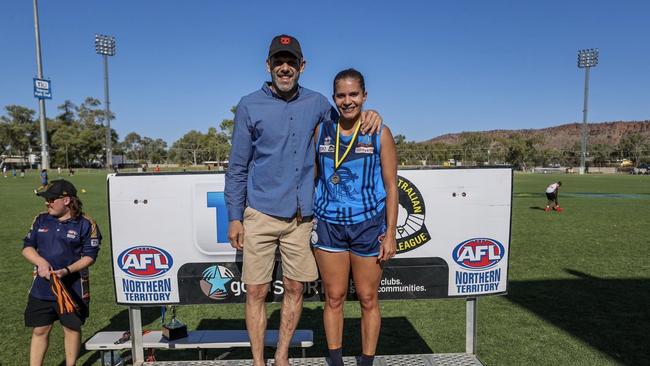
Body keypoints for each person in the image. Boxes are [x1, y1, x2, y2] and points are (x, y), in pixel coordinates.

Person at [225, 34, 382, 366]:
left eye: (291, 62)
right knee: (255, 292)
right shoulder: (249, 105)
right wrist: (235, 216)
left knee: (296, 290)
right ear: (268, 65)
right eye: (279, 62)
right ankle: (258, 361)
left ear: (302, 66)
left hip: (302, 218)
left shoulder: (319, 103)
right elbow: (237, 166)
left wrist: (373, 114)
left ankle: (281, 357)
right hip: (261, 213)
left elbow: (347, 122)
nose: (285, 68)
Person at [311, 69, 397, 366]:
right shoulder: (321, 131)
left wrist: (392, 232)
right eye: (341, 95)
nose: (347, 101)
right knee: (333, 298)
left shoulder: (378, 131)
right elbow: (312, 177)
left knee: (368, 299)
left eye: (353, 95)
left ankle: (366, 361)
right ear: (333, 97)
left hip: (367, 225)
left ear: (364, 96)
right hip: (330, 225)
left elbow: (390, 186)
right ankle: (335, 361)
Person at [22, 179, 101, 365]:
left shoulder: (86, 224)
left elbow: (90, 256)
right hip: (42, 288)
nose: (47, 203)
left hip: (72, 289)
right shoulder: (41, 219)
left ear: (66, 201)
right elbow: (27, 247)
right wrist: (40, 262)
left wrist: (66, 271)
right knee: (40, 330)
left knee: (71, 329)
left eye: (51, 199)